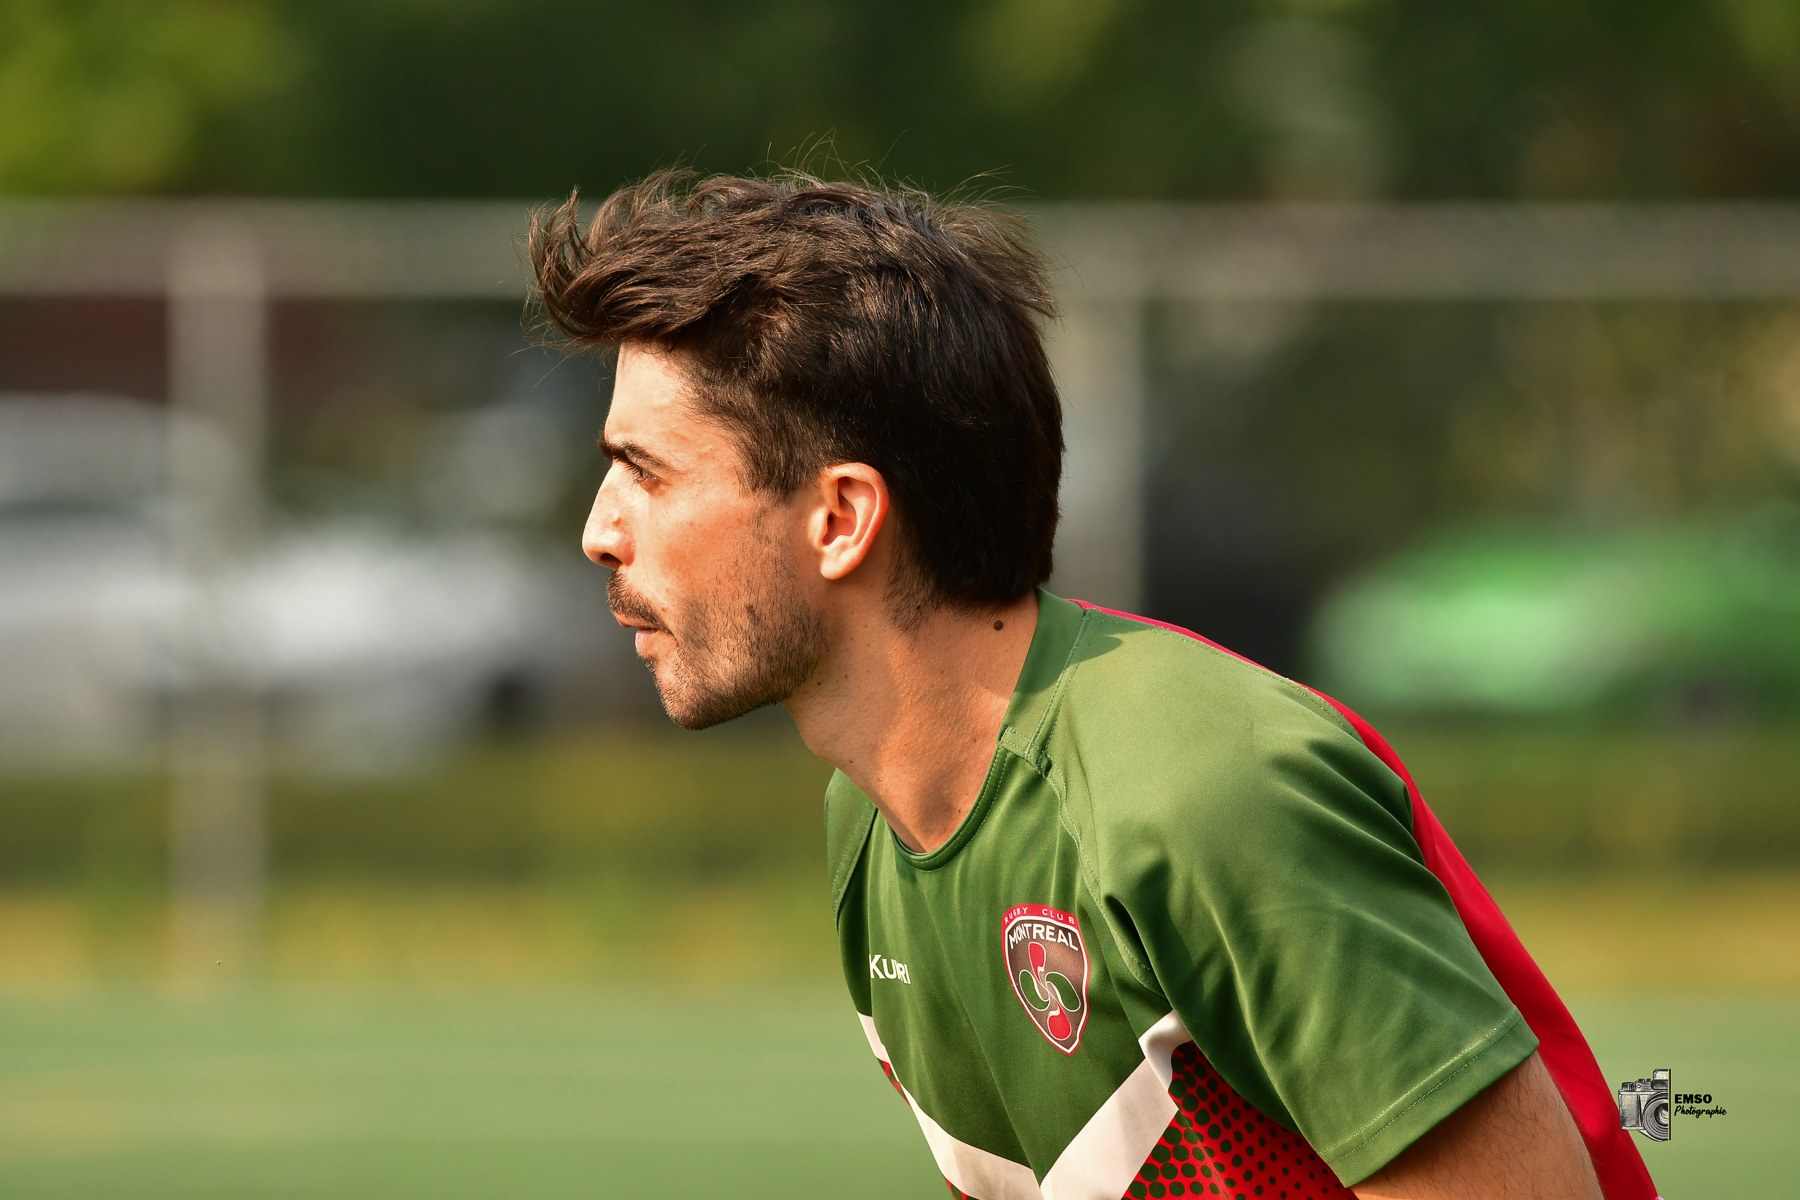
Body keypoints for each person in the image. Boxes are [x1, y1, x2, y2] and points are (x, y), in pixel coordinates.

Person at [529, 170, 1658, 1200]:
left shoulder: (1199, 790)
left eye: (646, 472)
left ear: (840, 519)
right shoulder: (871, 822)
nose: (599, 533)